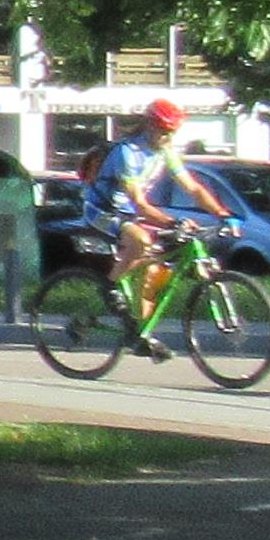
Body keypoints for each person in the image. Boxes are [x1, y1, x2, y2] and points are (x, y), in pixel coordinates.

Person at [79, 99, 223, 351]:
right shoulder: (128, 152)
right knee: (141, 241)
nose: (168, 137)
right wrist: (173, 221)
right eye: (163, 131)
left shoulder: (165, 151)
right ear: (149, 126)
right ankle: (110, 286)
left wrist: (223, 214)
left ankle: (141, 334)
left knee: (153, 269)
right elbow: (140, 204)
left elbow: (193, 188)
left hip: (127, 212)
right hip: (102, 210)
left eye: (172, 132)